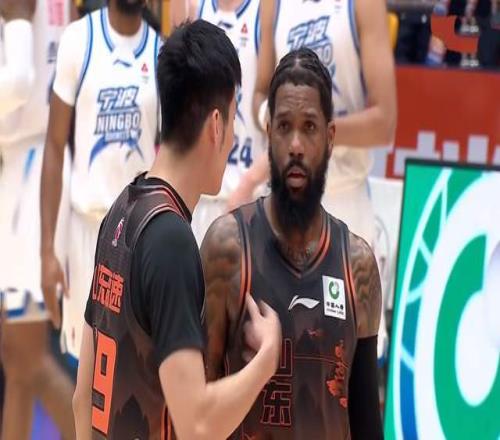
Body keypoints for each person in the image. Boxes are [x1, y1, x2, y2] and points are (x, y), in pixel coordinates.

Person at [73, 20, 282, 439]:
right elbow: (197, 425)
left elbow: (82, 399)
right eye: (234, 119)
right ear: (217, 126)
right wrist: (267, 360)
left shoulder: (121, 208)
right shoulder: (170, 240)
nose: (233, 138)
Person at [201, 48, 383, 439]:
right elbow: (194, 411)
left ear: (330, 138)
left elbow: (367, 422)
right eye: (285, 126)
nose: (296, 145)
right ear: (269, 133)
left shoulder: (358, 265)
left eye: (310, 127)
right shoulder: (227, 248)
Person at [41, 0, 161, 365]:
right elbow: (54, 145)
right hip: (86, 233)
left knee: (134, 371)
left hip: (137, 237)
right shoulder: (78, 40)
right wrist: (47, 252)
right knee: (85, 371)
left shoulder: (161, 53)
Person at [228, 0, 396, 248]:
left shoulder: (365, 4)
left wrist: (310, 130)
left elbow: (385, 123)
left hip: (345, 197)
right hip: (285, 197)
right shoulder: (272, 4)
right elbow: (259, 96)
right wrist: (281, 122)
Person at [0, 0, 75, 438]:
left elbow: (19, 82)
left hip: (30, 172)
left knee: (27, 358)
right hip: (31, 163)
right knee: (16, 361)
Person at [170, 0, 265, 245]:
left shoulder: (264, 12)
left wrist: (248, 185)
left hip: (248, 197)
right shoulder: (195, 10)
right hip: (198, 199)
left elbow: (282, 120)